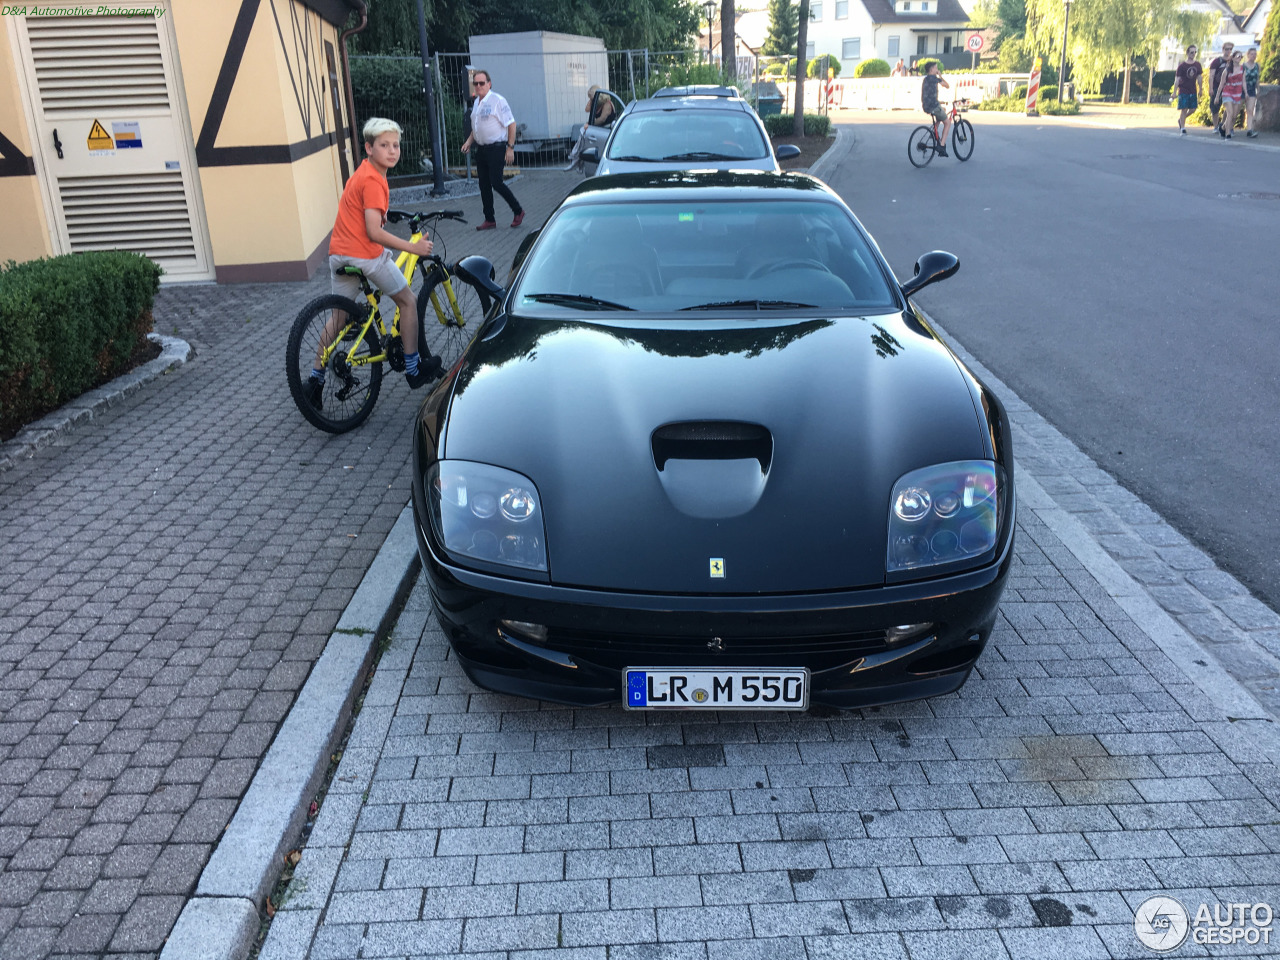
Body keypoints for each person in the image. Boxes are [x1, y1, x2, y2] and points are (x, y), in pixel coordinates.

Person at [308, 117, 436, 406]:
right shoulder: (375, 181)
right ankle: (414, 370)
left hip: (338, 255)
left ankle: (315, 378)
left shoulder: (362, 174)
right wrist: (413, 248)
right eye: (384, 145)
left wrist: (385, 214)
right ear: (368, 147)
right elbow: (373, 232)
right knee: (408, 300)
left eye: (396, 145)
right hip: (364, 257)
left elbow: (367, 213)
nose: (392, 151)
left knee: (338, 318)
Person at [461, 69, 525, 230]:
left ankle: (518, 210)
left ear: (489, 84)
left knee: (496, 182)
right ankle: (489, 219)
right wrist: (469, 141)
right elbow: (476, 128)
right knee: (483, 184)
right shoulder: (476, 102)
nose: (478, 86)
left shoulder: (498, 100)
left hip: (496, 148)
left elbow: (511, 124)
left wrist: (510, 148)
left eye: (482, 83)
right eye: (475, 83)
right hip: (481, 149)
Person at [921, 61, 951, 157]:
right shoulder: (935, 79)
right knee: (947, 122)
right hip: (933, 105)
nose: (937, 70)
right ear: (931, 70)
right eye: (936, 68)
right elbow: (947, 86)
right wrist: (940, 76)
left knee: (943, 110)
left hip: (926, 106)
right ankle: (941, 146)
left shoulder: (926, 79)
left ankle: (935, 131)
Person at [1216, 50, 1246, 140]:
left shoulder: (1242, 69)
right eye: (1237, 56)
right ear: (1233, 58)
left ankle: (1223, 128)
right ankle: (1227, 133)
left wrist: (1247, 93)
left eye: (1241, 57)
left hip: (1237, 92)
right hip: (1227, 92)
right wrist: (1217, 96)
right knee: (1230, 112)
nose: (1239, 58)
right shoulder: (1227, 70)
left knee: (1234, 115)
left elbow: (1243, 82)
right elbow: (1221, 84)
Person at [1174, 45, 1202, 135]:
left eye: (1195, 52)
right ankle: (1182, 127)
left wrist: (1200, 89)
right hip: (1183, 89)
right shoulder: (1182, 66)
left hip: (1193, 89)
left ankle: (1181, 120)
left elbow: (1199, 77)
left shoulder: (1197, 65)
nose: (1193, 54)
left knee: (1193, 109)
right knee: (1184, 109)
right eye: (1191, 52)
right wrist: (1174, 92)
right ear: (1187, 53)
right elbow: (1177, 79)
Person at [1208, 41, 1234, 136]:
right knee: (1215, 108)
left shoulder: (1233, 62)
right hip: (1217, 87)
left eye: (1230, 49)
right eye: (1227, 49)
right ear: (1223, 50)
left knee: (1229, 108)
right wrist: (1210, 88)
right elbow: (1211, 76)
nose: (1228, 51)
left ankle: (1223, 125)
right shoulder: (1217, 61)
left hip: (1229, 87)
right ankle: (1215, 126)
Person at [1243, 48, 1260, 138]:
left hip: (1252, 89)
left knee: (1250, 110)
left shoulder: (1257, 65)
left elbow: (1257, 78)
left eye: (1255, 54)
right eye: (1252, 54)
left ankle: (1249, 130)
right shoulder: (1243, 66)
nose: (1253, 56)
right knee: (1235, 111)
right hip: (1242, 89)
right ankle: (1227, 126)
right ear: (1248, 55)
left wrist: (1258, 89)